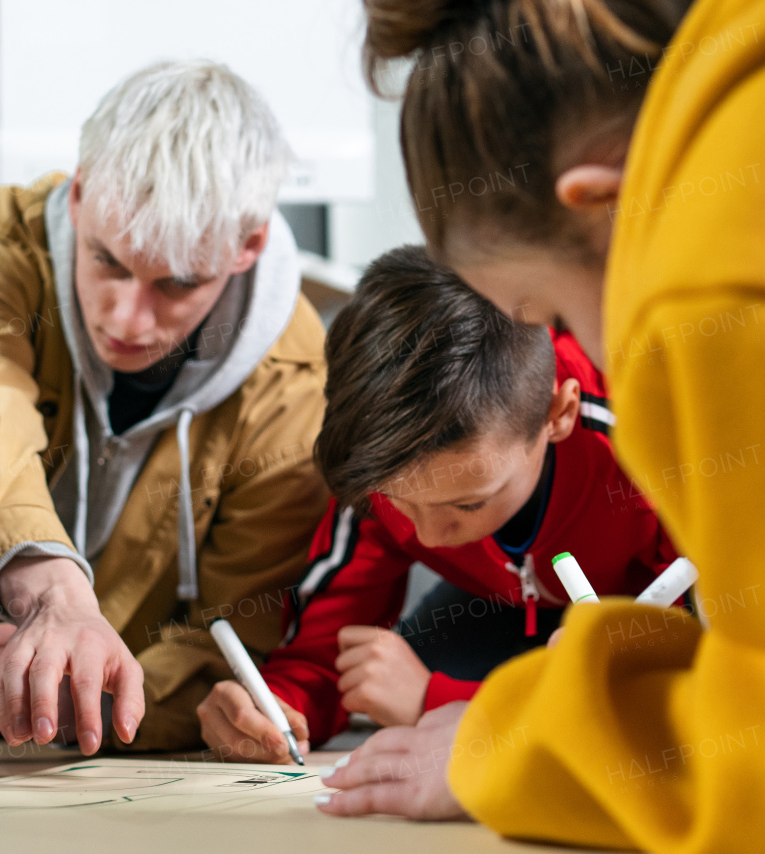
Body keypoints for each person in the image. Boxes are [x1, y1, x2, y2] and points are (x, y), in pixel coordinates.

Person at [317, 0, 765, 849]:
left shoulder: (715, 290)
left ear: (609, 206)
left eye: (553, 311)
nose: (586, 356)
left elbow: (760, 763)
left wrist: (502, 744)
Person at [0, 60, 330, 752]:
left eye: (177, 283)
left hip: (116, 686)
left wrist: (92, 696)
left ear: (248, 246)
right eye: (107, 261)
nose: (129, 320)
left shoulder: (294, 377)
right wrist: (54, 598)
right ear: (78, 198)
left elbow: (230, 633)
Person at [198, 246, 678, 762]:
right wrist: (275, 708)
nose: (426, 537)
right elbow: (324, 655)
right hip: (494, 613)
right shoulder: (377, 464)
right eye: (398, 503)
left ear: (557, 415)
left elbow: (703, 685)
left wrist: (437, 701)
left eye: (469, 504)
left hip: (642, 619)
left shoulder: (649, 452)